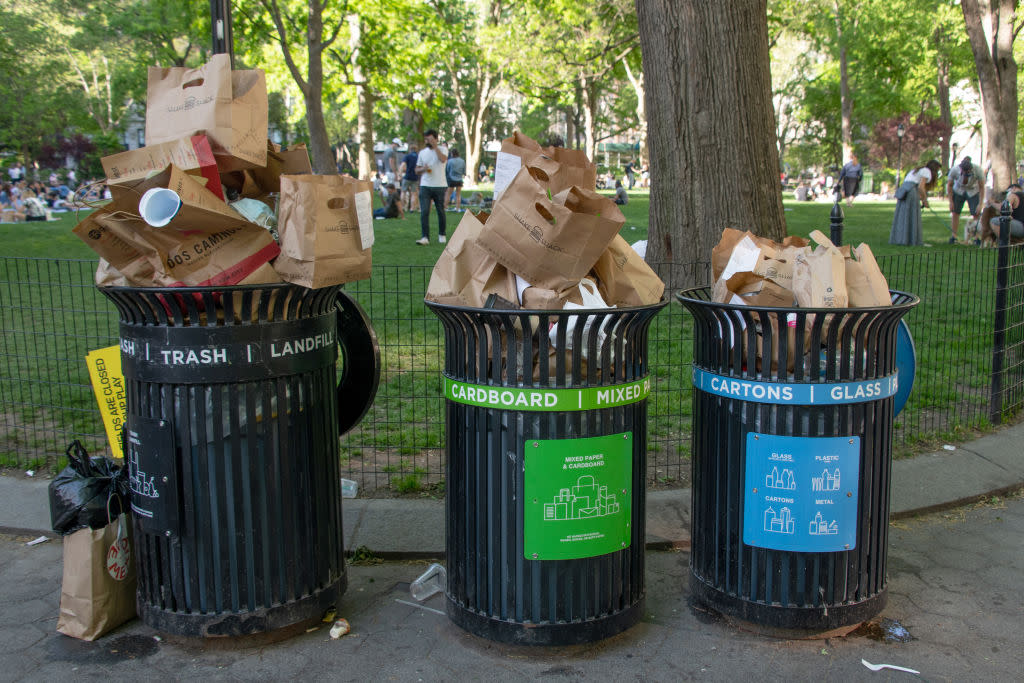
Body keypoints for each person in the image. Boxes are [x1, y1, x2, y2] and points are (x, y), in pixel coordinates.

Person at [890, 159, 941, 246]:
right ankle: (913, 241)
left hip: (904, 191)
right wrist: (925, 200)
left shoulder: (917, 170)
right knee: (913, 215)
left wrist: (921, 198)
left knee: (904, 215)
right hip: (911, 192)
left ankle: (901, 239)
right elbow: (921, 187)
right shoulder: (927, 171)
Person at [414, 129, 448, 245]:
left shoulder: (443, 149)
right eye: (426, 139)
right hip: (425, 185)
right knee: (424, 211)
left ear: (436, 139)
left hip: (439, 185)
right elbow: (416, 170)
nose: (427, 141)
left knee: (440, 211)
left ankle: (442, 235)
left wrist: (435, 147)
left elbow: (443, 159)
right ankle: (425, 237)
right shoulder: (422, 153)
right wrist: (423, 169)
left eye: (430, 139)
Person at [946, 156, 984, 243]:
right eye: (964, 172)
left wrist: (980, 204)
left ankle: (976, 237)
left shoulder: (978, 170)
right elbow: (949, 185)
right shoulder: (954, 170)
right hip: (958, 190)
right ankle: (954, 236)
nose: (966, 173)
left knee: (976, 213)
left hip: (973, 191)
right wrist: (951, 202)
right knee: (955, 212)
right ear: (960, 169)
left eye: (968, 172)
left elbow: (982, 187)